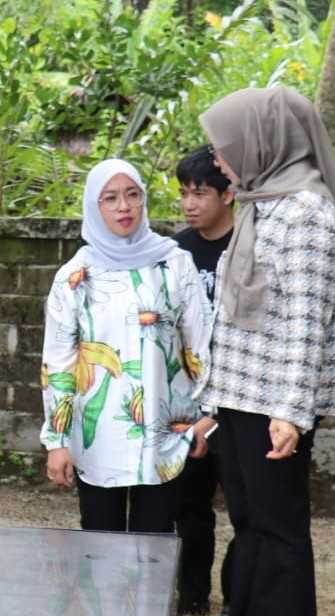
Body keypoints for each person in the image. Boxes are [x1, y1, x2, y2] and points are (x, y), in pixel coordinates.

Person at [179, 86, 335, 616]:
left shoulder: (304, 212)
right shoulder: (265, 202)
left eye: (226, 150)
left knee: (278, 529)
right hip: (242, 393)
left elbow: (305, 319)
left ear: (263, 143)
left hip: (273, 399)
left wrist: (290, 411)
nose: (220, 163)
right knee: (250, 523)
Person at [41, 158, 213, 534]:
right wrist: (57, 440)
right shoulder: (75, 277)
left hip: (165, 432)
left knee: (155, 542)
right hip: (97, 435)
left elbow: (200, 345)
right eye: (111, 198)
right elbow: (59, 364)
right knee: (101, 542)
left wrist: (207, 417)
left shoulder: (174, 265)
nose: (124, 207)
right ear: (93, 206)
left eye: (133, 195)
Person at [171, 145, 236, 616]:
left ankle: (238, 599)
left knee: (248, 512)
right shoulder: (176, 253)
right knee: (190, 506)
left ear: (228, 193)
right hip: (190, 404)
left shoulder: (248, 247)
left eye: (200, 193)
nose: (190, 204)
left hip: (238, 400)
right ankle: (193, 595)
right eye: (184, 194)